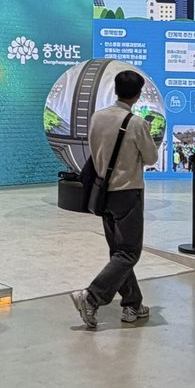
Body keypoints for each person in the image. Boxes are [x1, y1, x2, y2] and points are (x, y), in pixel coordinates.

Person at [70, 69, 160, 329]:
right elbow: (152, 158)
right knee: (129, 253)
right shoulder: (137, 123)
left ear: (116, 89)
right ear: (138, 94)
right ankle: (91, 296)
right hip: (128, 193)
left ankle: (132, 304)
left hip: (102, 192)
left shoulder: (97, 117)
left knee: (118, 252)